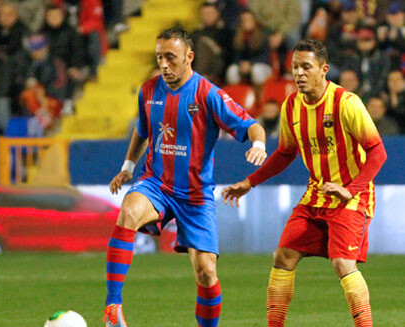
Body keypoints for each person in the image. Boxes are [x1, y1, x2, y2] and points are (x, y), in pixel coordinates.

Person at [103, 26, 267, 327]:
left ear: (189, 57)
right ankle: (113, 307)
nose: (164, 64)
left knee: (206, 272)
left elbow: (253, 125)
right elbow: (142, 131)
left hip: (195, 195)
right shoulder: (148, 90)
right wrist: (127, 168)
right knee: (128, 211)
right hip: (156, 184)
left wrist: (258, 145)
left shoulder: (209, 94)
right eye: (159, 57)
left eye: (171, 57)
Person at [222, 39, 387, 327]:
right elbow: (286, 153)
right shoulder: (291, 106)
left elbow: (378, 152)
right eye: (295, 67)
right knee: (283, 255)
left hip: (352, 197)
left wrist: (350, 190)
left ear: (323, 69)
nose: (298, 73)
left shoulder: (346, 103)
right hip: (316, 196)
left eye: (306, 67)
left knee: (342, 263)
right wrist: (250, 182)